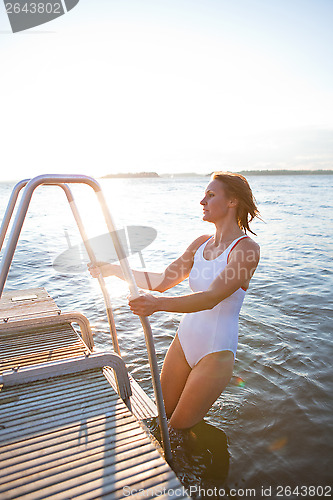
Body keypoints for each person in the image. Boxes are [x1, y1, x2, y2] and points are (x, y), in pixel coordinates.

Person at [88, 172, 260, 430]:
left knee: (177, 430)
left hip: (216, 353)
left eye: (211, 195)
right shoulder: (200, 244)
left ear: (232, 201)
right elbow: (162, 280)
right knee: (161, 419)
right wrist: (113, 270)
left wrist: (157, 304)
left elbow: (211, 298)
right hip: (184, 342)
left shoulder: (246, 250)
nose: (202, 201)